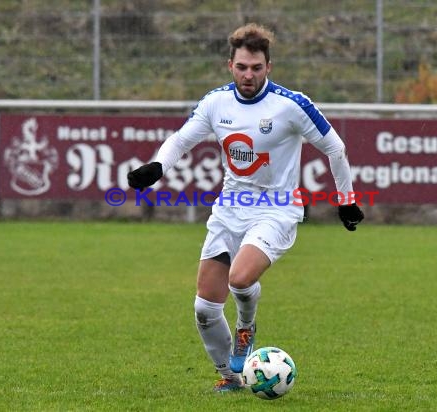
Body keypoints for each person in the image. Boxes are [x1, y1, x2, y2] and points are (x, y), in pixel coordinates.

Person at [127, 23, 364, 392]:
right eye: (241, 67)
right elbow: (180, 140)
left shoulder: (292, 105)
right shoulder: (216, 102)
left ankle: (246, 327)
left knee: (239, 278)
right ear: (230, 65)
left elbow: (335, 148)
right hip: (229, 208)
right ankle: (231, 376)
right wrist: (157, 166)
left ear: (269, 67)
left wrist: (346, 201)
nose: (248, 74)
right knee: (204, 308)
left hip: (276, 209)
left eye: (256, 67)